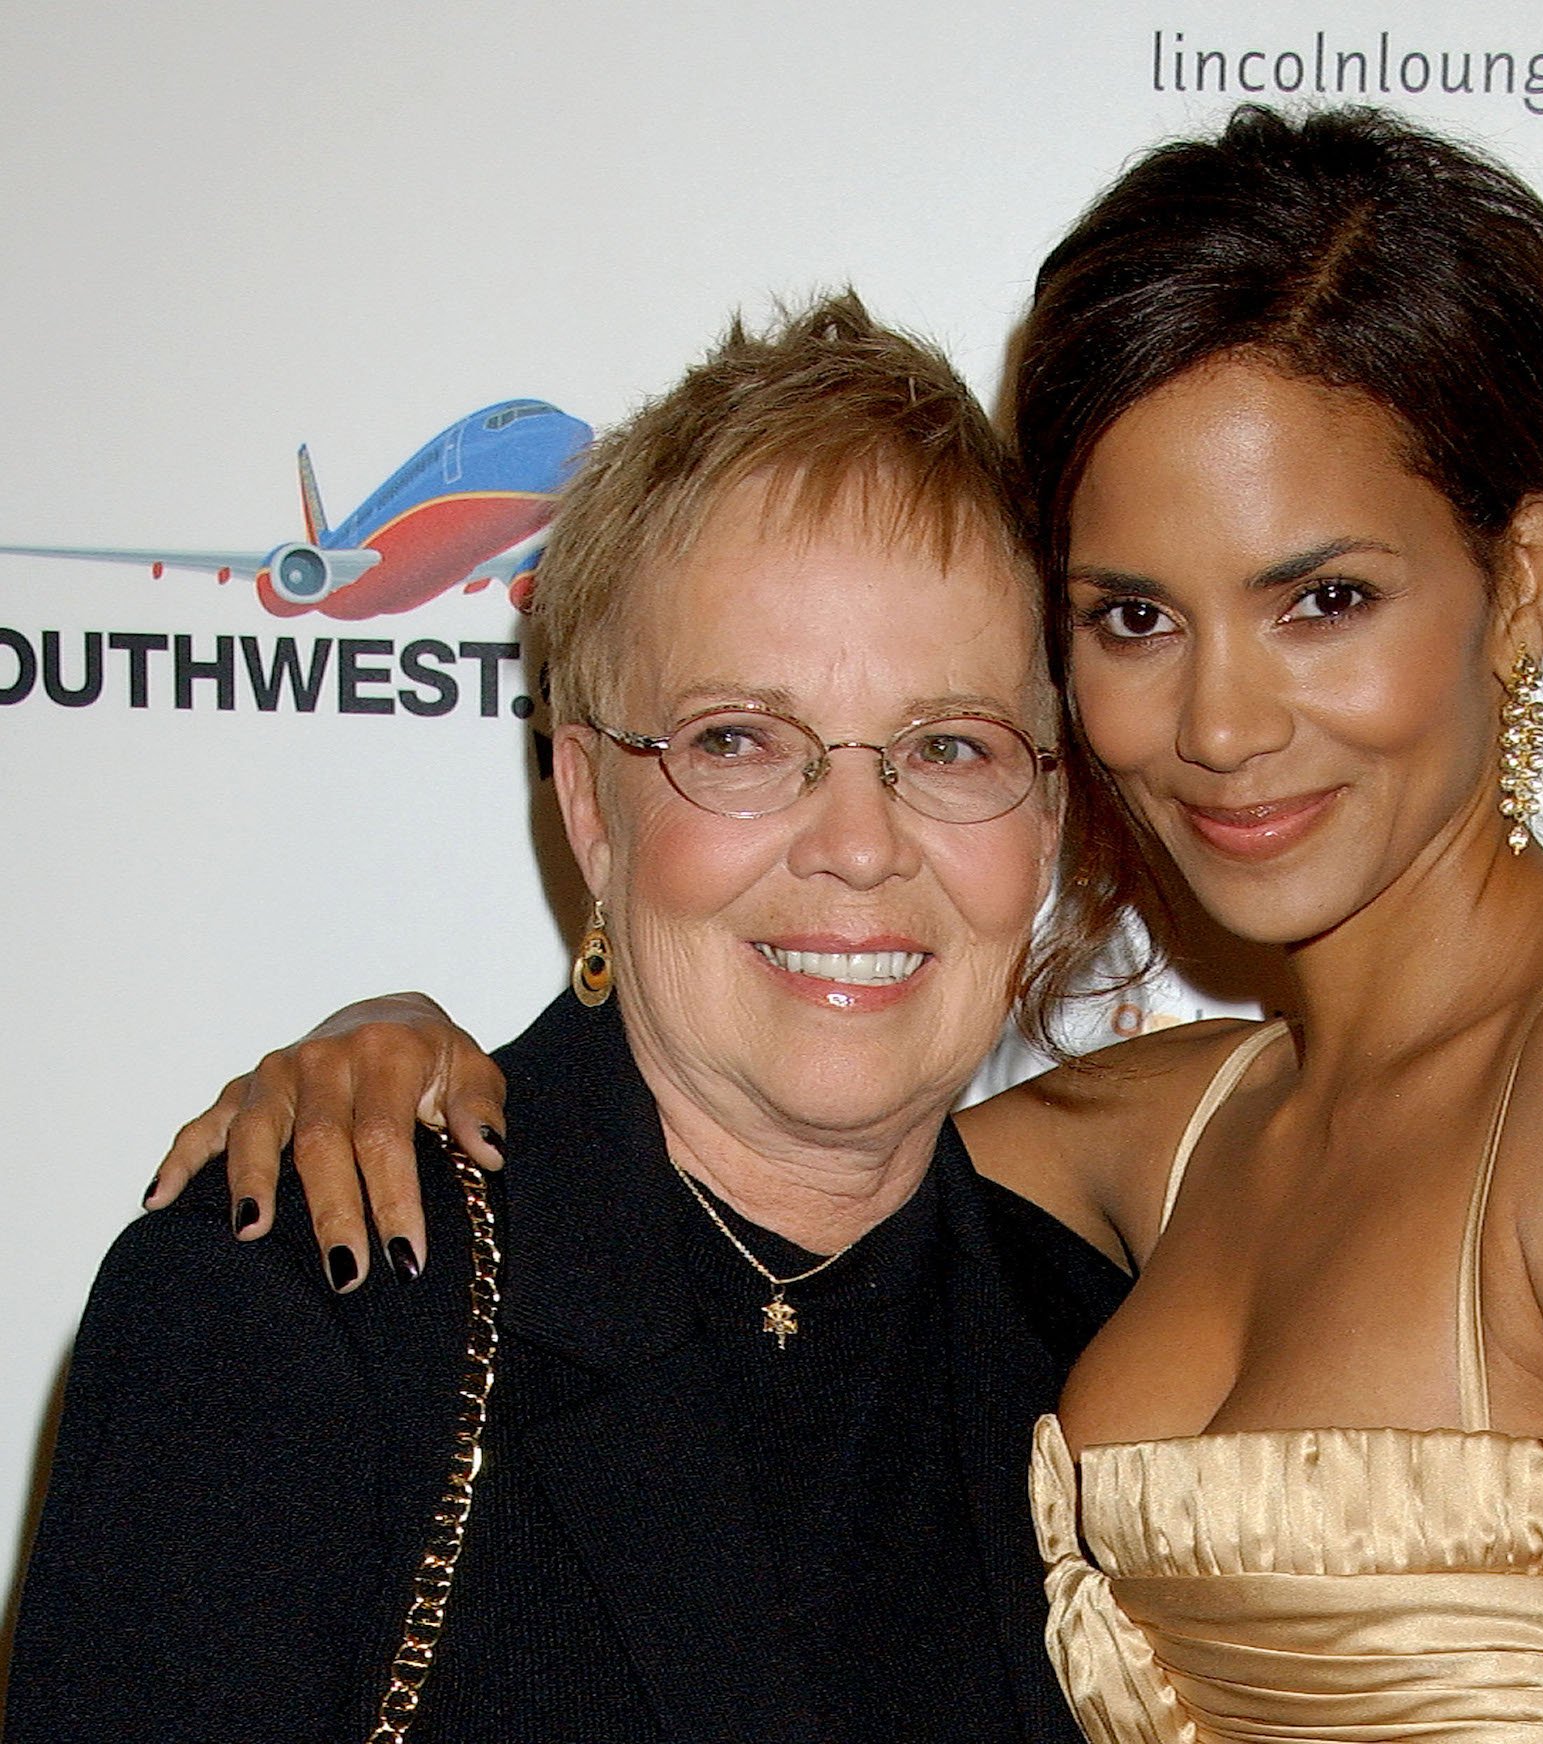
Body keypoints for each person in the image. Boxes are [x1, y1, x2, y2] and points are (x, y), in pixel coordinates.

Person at [137, 108, 1543, 1742]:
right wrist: (391, 1046)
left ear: (1518, 581)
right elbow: (760, 1131)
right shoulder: (1168, 1136)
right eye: (1133, 615)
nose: (1219, 721)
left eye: (1322, 599)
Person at [5, 297, 1133, 1743]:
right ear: (592, 805)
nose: (860, 842)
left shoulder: (1110, 1376)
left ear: (1045, 810)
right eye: (742, 739)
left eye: (950, 747)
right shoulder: (290, 1316)